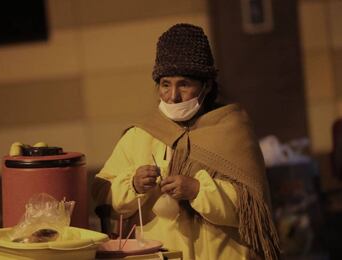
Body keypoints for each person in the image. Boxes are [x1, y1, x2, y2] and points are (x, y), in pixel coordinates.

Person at [92, 23, 280, 260]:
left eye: (184, 84)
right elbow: (102, 191)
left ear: (207, 85)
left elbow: (252, 209)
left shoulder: (232, 131)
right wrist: (133, 185)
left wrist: (198, 190)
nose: (173, 96)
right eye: (165, 84)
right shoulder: (140, 136)